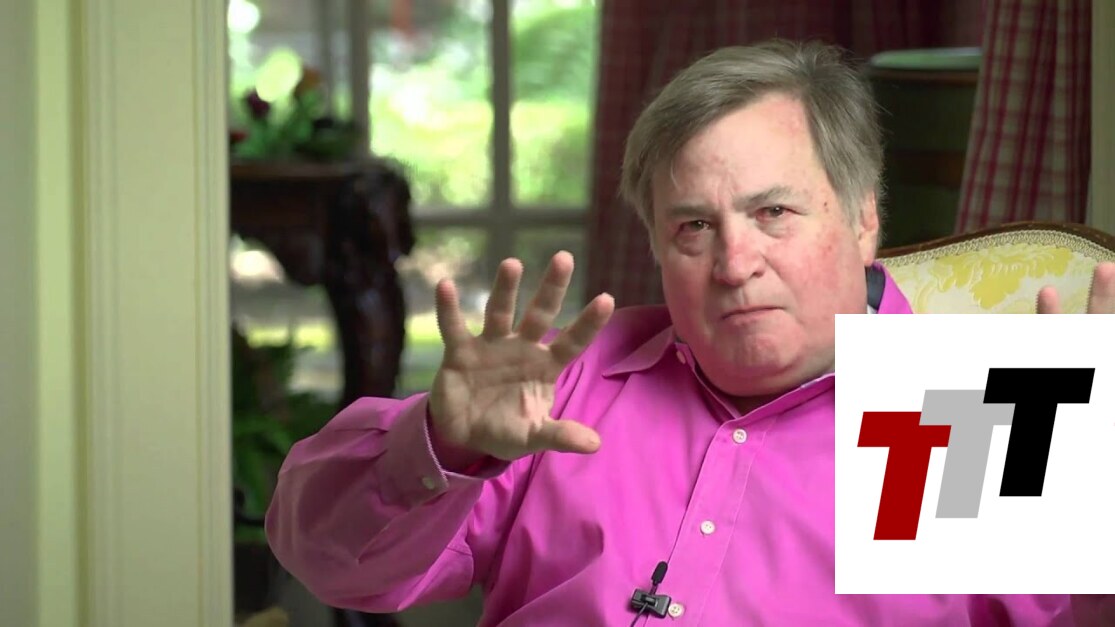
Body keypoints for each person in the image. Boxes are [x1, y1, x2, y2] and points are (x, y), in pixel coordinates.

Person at [265, 39, 1115, 626]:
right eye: (693, 227)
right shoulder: (564, 387)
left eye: (772, 212)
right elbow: (330, 560)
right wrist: (441, 443)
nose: (734, 263)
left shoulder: (968, 411)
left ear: (862, 218)